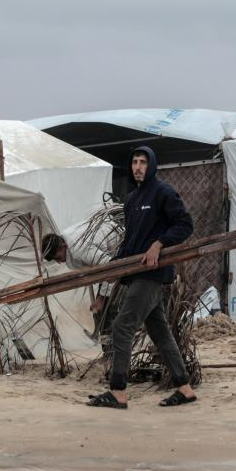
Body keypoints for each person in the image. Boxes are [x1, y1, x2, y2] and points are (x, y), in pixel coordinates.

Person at [86, 146, 197, 409]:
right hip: (135, 273)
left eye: (143, 162)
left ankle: (118, 391)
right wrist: (115, 268)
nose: (138, 167)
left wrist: (159, 243)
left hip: (152, 274)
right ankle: (185, 388)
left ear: (152, 165)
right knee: (160, 332)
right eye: (134, 162)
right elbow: (131, 240)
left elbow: (185, 225)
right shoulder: (133, 199)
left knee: (122, 326)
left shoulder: (163, 193)